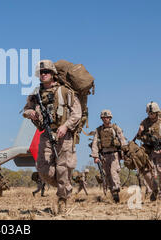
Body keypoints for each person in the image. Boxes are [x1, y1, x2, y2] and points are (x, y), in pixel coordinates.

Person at [23, 60, 82, 214]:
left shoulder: (65, 91)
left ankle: (62, 200)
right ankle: (66, 185)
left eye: (46, 72)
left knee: (63, 168)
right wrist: (32, 113)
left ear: (53, 74)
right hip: (46, 135)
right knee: (43, 169)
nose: (43, 75)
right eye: (41, 73)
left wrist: (66, 126)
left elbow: (77, 113)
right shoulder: (36, 94)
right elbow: (25, 110)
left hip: (64, 135)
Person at [136, 101, 161, 201]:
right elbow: (139, 138)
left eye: (152, 113)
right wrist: (140, 132)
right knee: (146, 173)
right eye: (149, 113)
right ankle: (154, 190)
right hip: (149, 151)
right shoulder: (144, 122)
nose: (150, 115)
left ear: (157, 112)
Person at [90, 110, 127, 203]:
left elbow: (122, 140)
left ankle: (116, 190)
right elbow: (94, 143)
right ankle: (114, 195)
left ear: (110, 118)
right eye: (104, 118)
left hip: (114, 154)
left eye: (107, 117)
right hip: (104, 155)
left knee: (113, 172)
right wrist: (95, 156)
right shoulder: (98, 130)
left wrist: (125, 153)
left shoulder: (116, 128)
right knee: (107, 175)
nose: (105, 119)